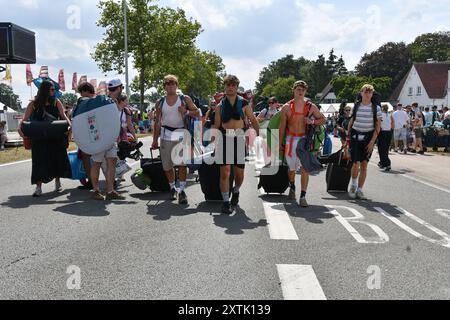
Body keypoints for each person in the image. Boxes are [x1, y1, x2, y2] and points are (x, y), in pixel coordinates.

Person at [213, 75, 260, 214]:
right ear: (225, 87)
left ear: (236, 86)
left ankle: (236, 190)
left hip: (239, 138)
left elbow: (253, 119)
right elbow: (216, 126)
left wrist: (259, 135)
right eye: (228, 85)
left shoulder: (244, 103)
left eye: (233, 85)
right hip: (224, 138)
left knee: (239, 173)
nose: (230, 87)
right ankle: (226, 202)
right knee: (225, 172)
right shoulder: (219, 106)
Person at [151, 75, 200, 205]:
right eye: (167, 84)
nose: (170, 86)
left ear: (176, 85)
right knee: (167, 166)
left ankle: (182, 190)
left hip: (181, 133)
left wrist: (186, 112)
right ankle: (172, 188)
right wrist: (155, 140)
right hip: (166, 134)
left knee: (182, 164)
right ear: (164, 87)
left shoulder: (184, 99)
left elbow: (197, 113)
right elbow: (157, 122)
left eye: (173, 83)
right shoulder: (160, 102)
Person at [19, 80, 72, 197]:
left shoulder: (56, 102)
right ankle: (38, 188)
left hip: (55, 136)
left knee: (57, 159)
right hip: (39, 137)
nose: (54, 91)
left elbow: (63, 116)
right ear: (45, 90)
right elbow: (25, 119)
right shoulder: (34, 103)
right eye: (52, 89)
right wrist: (21, 128)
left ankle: (57, 182)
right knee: (39, 162)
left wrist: (69, 125)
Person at [279, 80, 325, 207]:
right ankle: (292, 186)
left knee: (305, 168)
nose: (300, 92)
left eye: (303, 90)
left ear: (305, 91)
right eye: (298, 89)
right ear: (293, 90)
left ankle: (303, 196)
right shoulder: (286, 107)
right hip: (290, 140)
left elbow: (322, 120)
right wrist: (279, 144)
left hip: (304, 140)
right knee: (291, 169)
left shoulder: (311, 106)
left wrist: (312, 122)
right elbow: (282, 127)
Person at [88, 79, 126, 201]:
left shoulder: (109, 100)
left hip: (109, 138)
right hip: (101, 137)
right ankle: (96, 190)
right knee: (97, 163)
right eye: (122, 88)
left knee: (111, 162)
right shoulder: (105, 101)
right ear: (119, 88)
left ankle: (110, 191)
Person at [347, 84, 382, 200]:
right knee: (355, 163)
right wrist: (347, 138)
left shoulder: (376, 108)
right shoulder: (356, 106)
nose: (367, 94)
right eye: (365, 92)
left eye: (370, 92)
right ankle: (353, 185)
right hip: (355, 137)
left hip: (368, 138)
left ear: (372, 94)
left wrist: (372, 142)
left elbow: (378, 126)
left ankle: (360, 190)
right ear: (361, 93)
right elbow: (351, 122)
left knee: (364, 165)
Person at [74, 82, 96, 191]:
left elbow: (77, 118)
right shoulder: (97, 101)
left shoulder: (82, 101)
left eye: (81, 92)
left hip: (86, 133)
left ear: (85, 91)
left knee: (86, 157)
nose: (80, 95)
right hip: (98, 132)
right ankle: (111, 181)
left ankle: (91, 181)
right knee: (102, 157)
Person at [377, 104, 394, 172]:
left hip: (383, 132)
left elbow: (378, 123)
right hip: (388, 132)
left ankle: (387, 164)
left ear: (382, 108)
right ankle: (382, 162)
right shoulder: (390, 114)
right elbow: (393, 123)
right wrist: (391, 130)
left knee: (381, 149)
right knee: (385, 149)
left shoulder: (381, 114)